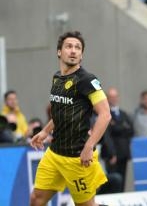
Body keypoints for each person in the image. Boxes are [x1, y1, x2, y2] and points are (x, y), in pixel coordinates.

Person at [29, 31, 111, 206]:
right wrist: (45, 131)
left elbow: (105, 114)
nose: (73, 51)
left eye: (77, 48)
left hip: (78, 158)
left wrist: (89, 147)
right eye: (69, 46)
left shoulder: (87, 80)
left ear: (81, 55)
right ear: (59, 52)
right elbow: (61, 111)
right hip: (54, 153)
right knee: (36, 199)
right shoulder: (57, 78)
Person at [105, 87, 134, 192]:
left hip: (124, 152)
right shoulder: (106, 113)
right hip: (113, 154)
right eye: (111, 97)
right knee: (114, 180)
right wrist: (122, 127)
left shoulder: (123, 114)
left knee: (123, 178)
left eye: (115, 97)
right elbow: (109, 133)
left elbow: (130, 130)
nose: (113, 99)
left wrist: (118, 127)